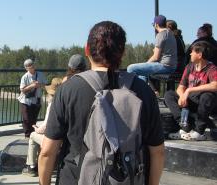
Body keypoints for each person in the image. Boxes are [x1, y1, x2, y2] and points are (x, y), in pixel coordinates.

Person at [38, 21, 164, 185]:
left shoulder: (68, 89)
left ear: (87, 50)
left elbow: (48, 152)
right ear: (123, 52)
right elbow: (158, 152)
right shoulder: (143, 91)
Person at [164, 41, 217, 141]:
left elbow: (215, 85)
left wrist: (189, 90)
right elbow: (180, 87)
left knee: (207, 96)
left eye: (192, 51)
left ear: (200, 54)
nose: (190, 54)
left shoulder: (212, 68)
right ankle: (185, 126)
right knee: (169, 95)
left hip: (204, 103)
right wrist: (182, 96)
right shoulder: (189, 67)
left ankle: (199, 132)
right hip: (190, 101)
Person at [22, 77, 62, 177]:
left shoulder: (52, 105)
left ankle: (31, 167)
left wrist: (36, 128)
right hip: (63, 138)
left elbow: (45, 128)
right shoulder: (65, 103)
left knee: (32, 135)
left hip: (53, 140)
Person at [127, 15, 177, 82]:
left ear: (156, 24)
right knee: (142, 73)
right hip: (172, 67)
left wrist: (146, 63)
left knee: (131, 68)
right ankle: (143, 89)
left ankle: (140, 90)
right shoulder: (170, 34)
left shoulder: (161, 35)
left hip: (165, 66)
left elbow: (156, 57)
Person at [17, 59, 47, 138]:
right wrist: (32, 86)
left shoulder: (40, 74)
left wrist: (39, 85)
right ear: (26, 68)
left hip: (36, 99)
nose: (31, 67)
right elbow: (22, 90)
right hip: (25, 100)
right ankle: (27, 135)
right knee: (26, 118)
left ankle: (32, 134)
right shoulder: (25, 77)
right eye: (29, 66)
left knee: (33, 119)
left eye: (32, 65)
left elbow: (45, 85)